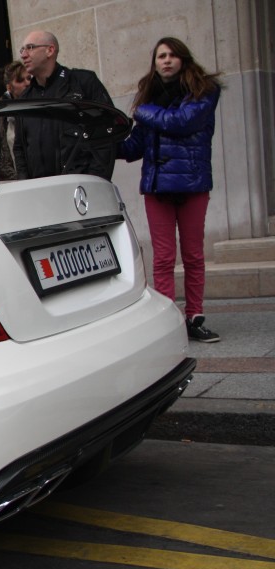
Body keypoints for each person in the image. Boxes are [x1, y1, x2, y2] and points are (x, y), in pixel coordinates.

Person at [117, 37, 222, 342]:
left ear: (183, 59)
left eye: (172, 55)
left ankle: (195, 316)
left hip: (192, 183)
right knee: (162, 257)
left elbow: (182, 122)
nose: (166, 60)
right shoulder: (150, 99)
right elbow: (135, 145)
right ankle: (167, 319)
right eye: (160, 56)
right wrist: (104, 144)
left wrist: (143, 111)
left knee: (192, 255)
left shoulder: (204, 91)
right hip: (157, 186)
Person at [12, 31, 115, 179]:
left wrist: (95, 180)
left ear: (50, 50)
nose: (23, 55)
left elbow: (106, 136)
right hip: (40, 193)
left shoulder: (82, 83)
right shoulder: (25, 99)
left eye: (30, 47)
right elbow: (20, 148)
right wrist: (26, 184)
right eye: (22, 50)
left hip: (79, 188)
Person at [0, 60, 29, 180]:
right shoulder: (0, 112)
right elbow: (0, 157)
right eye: (20, 80)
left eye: (29, 79)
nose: (27, 83)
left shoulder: (37, 104)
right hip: (14, 180)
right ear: (9, 87)